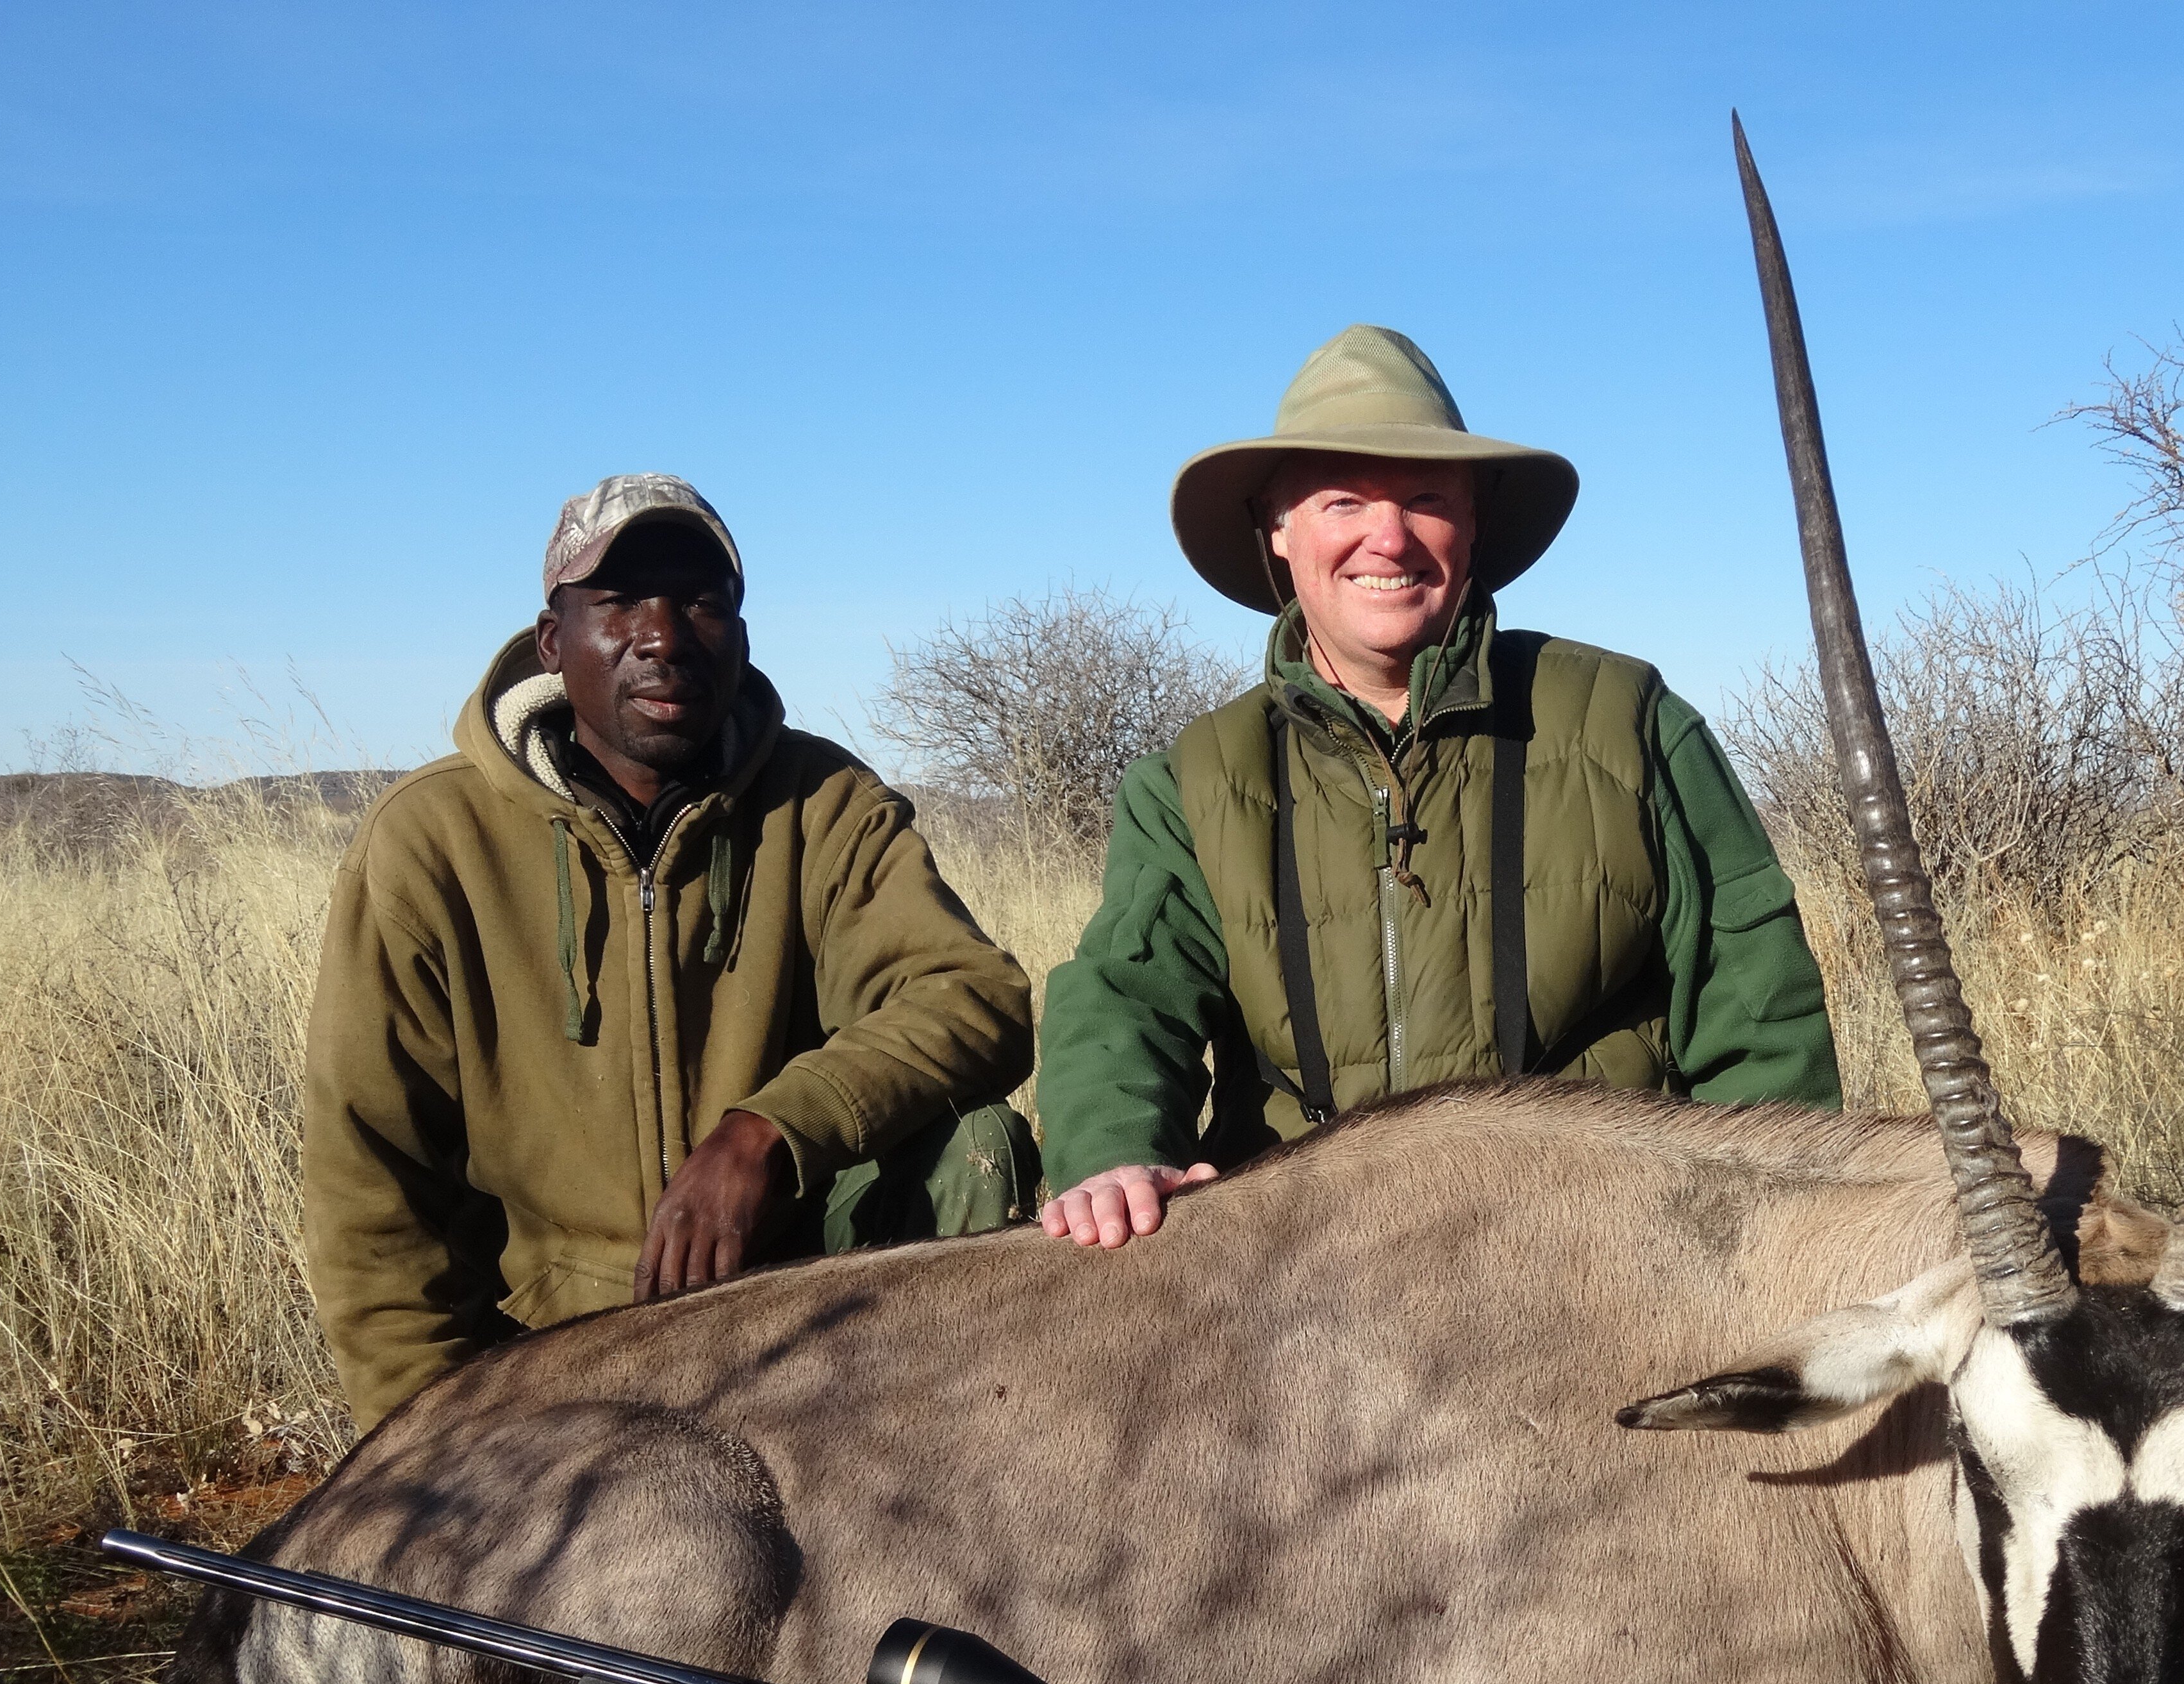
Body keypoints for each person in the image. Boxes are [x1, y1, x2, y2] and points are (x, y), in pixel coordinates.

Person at [1035, 325, 1840, 1246]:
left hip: (1600, 1246)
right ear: (1279, 526)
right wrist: (1112, 1152)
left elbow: (1757, 1004)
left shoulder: (1630, 720)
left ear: (1473, 521)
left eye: (1425, 498)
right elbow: (1129, 996)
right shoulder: (1193, 778)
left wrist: (1782, 1239)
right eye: (1344, 500)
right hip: (1306, 1258)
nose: (1390, 537)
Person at [304, 474, 1036, 1428]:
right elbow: (370, 1181)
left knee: (973, 1148)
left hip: (792, 1317)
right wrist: (424, 1451)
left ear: (739, 631)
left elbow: (974, 997)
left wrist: (766, 1134)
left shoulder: (821, 801)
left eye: (702, 601)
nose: (664, 635)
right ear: (552, 641)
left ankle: (934, 1452)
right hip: (549, 1359)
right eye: (617, 602)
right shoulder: (429, 841)